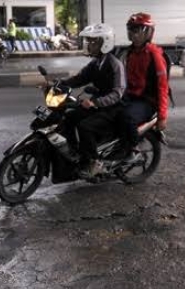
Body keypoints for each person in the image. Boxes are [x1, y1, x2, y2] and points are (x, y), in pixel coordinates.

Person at [57, 23, 125, 178]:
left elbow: (117, 93)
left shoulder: (115, 65)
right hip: (98, 103)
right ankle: (75, 153)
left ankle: (95, 162)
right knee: (69, 116)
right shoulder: (96, 63)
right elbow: (79, 79)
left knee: (85, 126)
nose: (89, 45)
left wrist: (95, 103)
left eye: (93, 42)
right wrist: (57, 83)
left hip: (112, 108)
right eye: (89, 41)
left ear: (105, 43)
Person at [116, 12, 169, 160]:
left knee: (127, 117)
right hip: (132, 96)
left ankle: (133, 149)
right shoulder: (130, 52)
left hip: (147, 100)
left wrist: (163, 116)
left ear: (147, 32)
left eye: (136, 30)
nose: (133, 34)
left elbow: (162, 86)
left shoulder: (154, 54)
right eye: (131, 30)